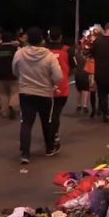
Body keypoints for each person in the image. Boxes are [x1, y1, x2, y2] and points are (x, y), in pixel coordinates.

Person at [12, 27, 62, 165]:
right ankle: (49, 147)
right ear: (42, 40)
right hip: (45, 93)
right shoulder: (49, 56)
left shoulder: (20, 54)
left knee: (26, 122)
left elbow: (15, 71)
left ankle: (25, 153)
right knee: (47, 122)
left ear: (27, 39)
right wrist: (51, 81)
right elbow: (58, 76)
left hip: (26, 92)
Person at [46, 26, 75, 156]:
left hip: (45, 84)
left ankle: (50, 136)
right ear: (60, 37)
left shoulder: (44, 50)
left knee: (47, 113)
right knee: (56, 113)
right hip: (62, 85)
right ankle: (54, 136)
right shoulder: (67, 50)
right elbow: (74, 65)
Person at [0, 31, 20, 119]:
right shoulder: (15, 49)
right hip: (13, 74)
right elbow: (19, 61)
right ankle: (12, 105)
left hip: (0, 75)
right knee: (15, 92)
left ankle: (5, 112)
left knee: (4, 94)